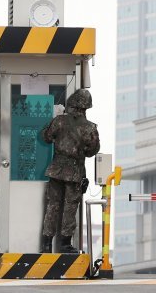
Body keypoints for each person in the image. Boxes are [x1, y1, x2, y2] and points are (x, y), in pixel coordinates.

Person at [40, 89, 100, 253]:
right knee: (70, 206)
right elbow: (92, 151)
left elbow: (45, 137)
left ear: (71, 104)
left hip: (56, 169)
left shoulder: (59, 121)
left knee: (52, 205)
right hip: (75, 171)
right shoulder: (89, 128)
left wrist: (55, 118)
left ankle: (46, 244)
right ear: (86, 108)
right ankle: (65, 244)